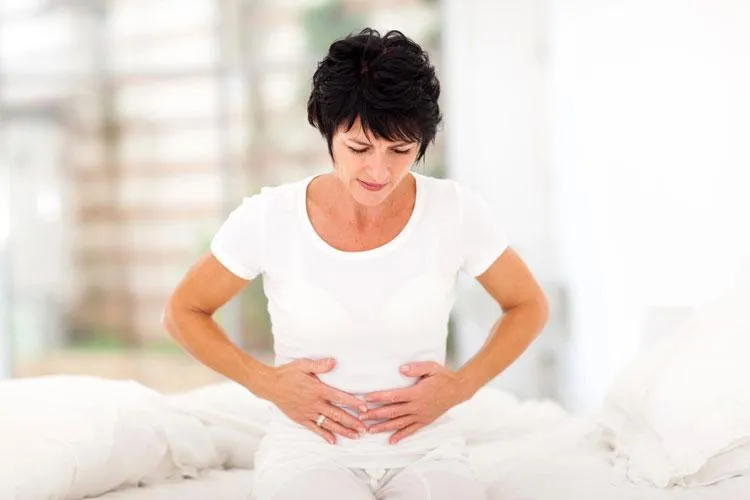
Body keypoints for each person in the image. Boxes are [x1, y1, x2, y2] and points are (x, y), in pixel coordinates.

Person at [163, 28, 548, 500]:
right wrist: (267, 383)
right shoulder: (270, 217)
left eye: (401, 151)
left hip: (424, 450)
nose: (379, 171)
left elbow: (527, 304)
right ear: (328, 133)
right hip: (308, 452)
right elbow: (183, 312)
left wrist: (460, 386)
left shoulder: (454, 210)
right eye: (360, 148)